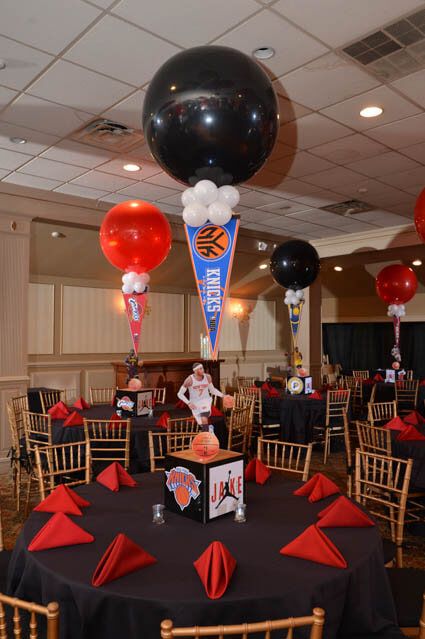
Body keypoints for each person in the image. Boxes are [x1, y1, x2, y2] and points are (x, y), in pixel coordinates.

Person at [177, 362, 226, 430]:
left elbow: (212, 390)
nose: (203, 370)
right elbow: (179, 394)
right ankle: (209, 430)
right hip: (195, 403)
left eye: (202, 368)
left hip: (206, 401)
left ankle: (207, 435)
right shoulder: (189, 380)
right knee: (201, 423)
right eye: (200, 369)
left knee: (204, 417)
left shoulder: (208, 377)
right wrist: (188, 403)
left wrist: (223, 395)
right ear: (195, 371)